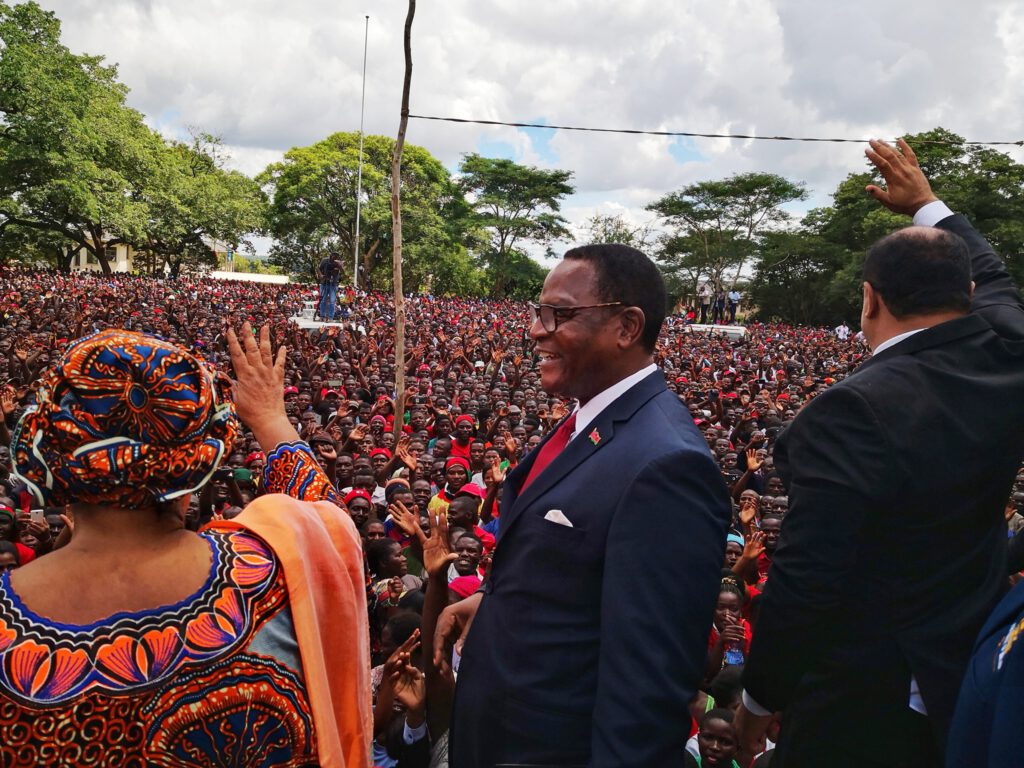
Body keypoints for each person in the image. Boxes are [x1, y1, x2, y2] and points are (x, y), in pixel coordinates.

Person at [735, 139, 1024, 766]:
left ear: (868, 299)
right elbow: (998, 282)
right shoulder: (1006, 353)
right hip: (962, 670)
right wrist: (928, 205)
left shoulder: (849, 411)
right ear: (968, 294)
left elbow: (808, 578)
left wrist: (759, 701)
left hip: (863, 701)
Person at [0, 325, 371, 766]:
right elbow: (332, 529)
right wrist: (271, 417)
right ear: (198, 459)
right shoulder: (270, 573)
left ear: (55, 450)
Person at [436, 244, 730, 766]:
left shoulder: (665, 462)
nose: (536, 329)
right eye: (538, 311)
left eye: (561, 314)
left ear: (626, 326)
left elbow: (648, 683)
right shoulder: (590, 419)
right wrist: (497, 603)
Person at [316, 251, 344, 321]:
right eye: (334, 256)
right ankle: (322, 316)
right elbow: (318, 268)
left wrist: (340, 266)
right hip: (324, 283)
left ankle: (330, 317)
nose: (335, 258)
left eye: (336, 256)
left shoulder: (339, 262)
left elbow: (343, 272)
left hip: (333, 284)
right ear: (331, 256)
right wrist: (320, 275)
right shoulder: (325, 260)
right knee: (323, 301)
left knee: (332, 301)